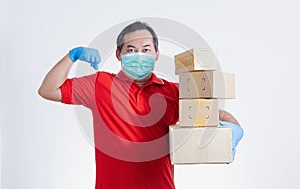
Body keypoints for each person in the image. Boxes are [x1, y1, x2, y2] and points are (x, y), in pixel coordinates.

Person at [38, 21, 244, 189]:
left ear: (156, 53)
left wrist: (234, 132)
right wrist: (72, 56)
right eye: (131, 50)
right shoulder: (99, 84)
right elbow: (48, 90)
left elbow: (215, 114)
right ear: (119, 55)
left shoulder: (173, 92)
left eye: (146, 49)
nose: (139, 55)